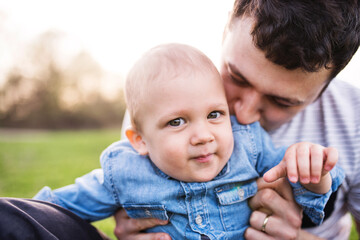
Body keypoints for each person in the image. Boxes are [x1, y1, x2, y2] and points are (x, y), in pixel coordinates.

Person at [29, 43, 342, 240]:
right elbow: (52, 210)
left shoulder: (248, 145)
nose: (203, 135)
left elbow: (301, 176)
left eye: (215, 114)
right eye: (177, 122)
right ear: (140, 140)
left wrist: (314, 171)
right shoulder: (125, 171)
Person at [115, 1, 360, 240]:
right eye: (236, 77)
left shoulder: (354, 117)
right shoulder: (162, 97)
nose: (244, 115)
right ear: (225, 33)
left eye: (281, 102)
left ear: (324, 89)